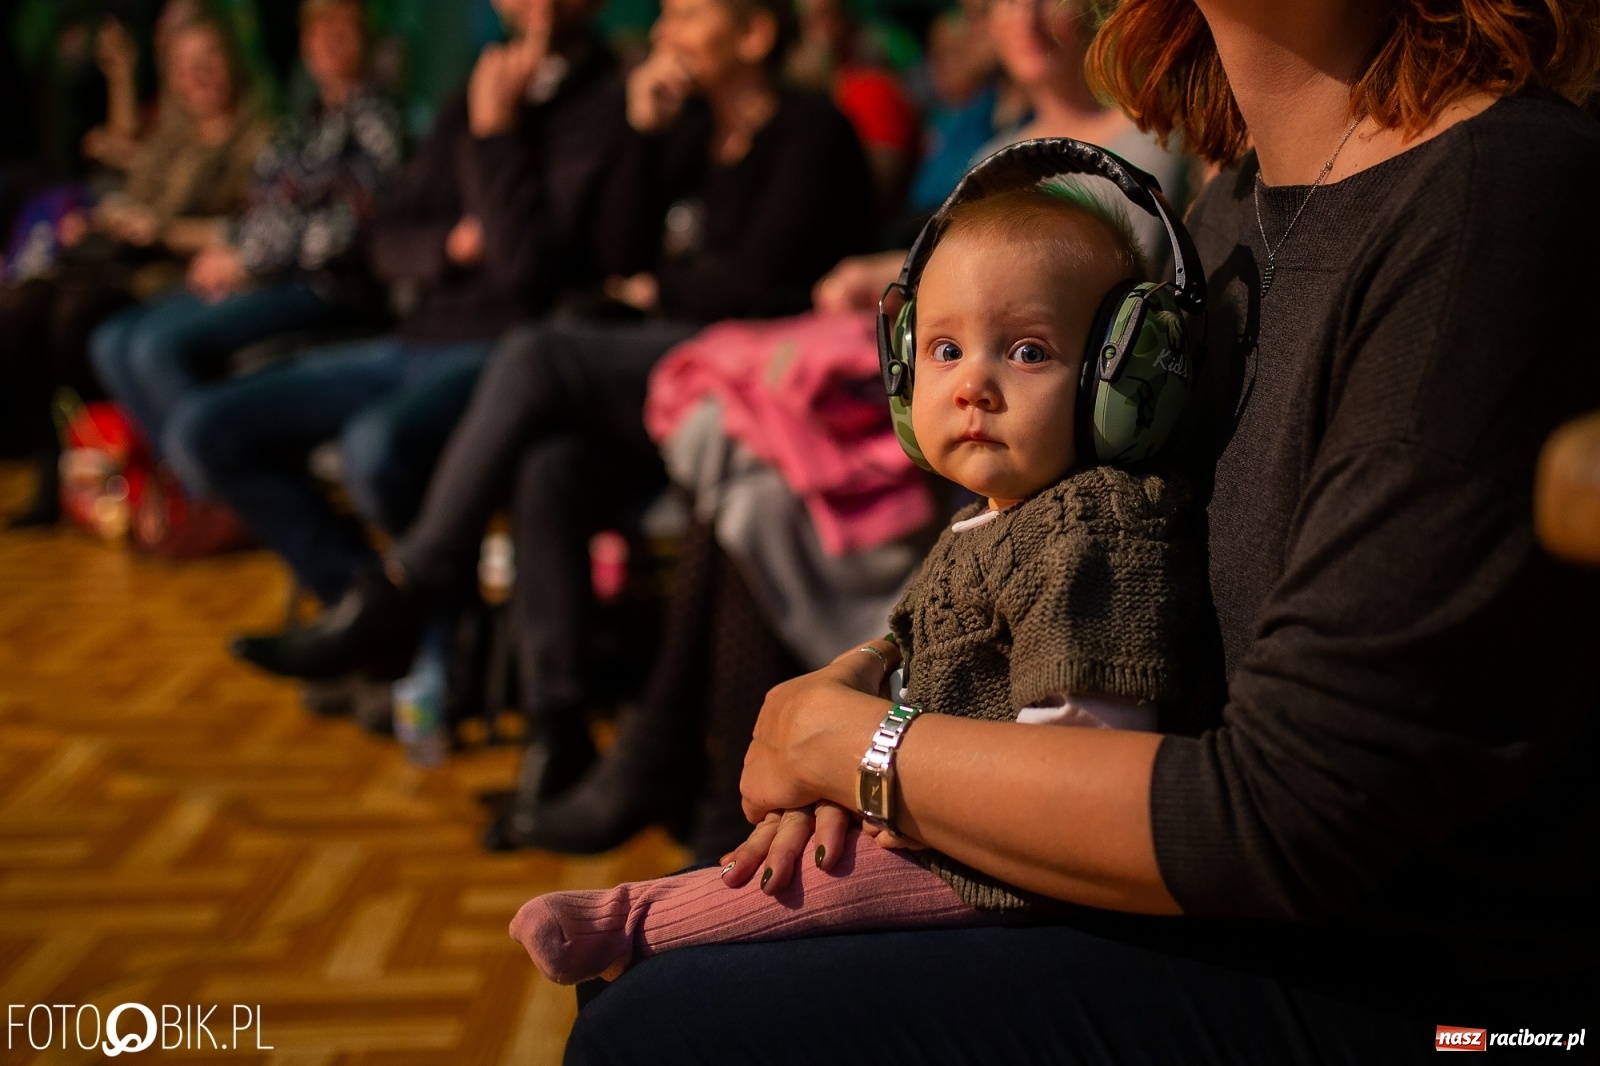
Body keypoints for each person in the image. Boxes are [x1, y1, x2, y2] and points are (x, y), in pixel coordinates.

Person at [563, 0, 1600, 1060]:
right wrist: (877, 685)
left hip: (1442, 1000)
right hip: (1229, 924)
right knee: (649, 989)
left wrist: (863, 753)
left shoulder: (1496, 194)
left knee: (664, 1032)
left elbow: (1283, 818)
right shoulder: (1234, 205)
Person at [490, 0, 1191, 864]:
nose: (1023, 17)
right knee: (730, 463)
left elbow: (1076, 779)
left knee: (739, 464)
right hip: (963, 466)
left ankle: (677, 769)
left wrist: (861, 760)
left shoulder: (1152, 146)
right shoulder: (1001, 145)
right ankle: (691, 778)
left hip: (1032, 457)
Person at [510, 173, 1206, 985]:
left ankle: (642, 920)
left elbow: (1082, 764)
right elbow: (916, 679)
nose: (973, 385)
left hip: (1001, 868)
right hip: (937, 820)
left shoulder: (1090, 526)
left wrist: (890, 793)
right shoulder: (989, 522)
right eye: (945, 351)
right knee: (796, 856)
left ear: (1119, 387)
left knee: (786, 897)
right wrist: (843, 786)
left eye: (1027, 352)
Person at [228, 0, 875, 839]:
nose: (664, 31)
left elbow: (761, 286)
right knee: (550, 467)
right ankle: (556, 735)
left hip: (752, 390)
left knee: (539, 354)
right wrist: (643, 139)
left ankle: (412, 581)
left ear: (753, 34)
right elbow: (614, 256)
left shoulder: (812, 134)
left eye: (687, 13)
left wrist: (656, 294)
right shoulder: (687, 134)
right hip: (673, 380)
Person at [158, 0, 627, 610]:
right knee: (202, 430)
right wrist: (449, 247)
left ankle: (404, 622)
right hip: (414, 334)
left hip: (507, 351)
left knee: (373, 450)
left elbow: (522, 268)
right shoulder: (471, 93)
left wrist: (494, 132)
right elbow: (385, 238)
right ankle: (369, 607)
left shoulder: (601, 105)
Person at [90, 0, 402, 457]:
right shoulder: (307, 122)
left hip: (324, 286)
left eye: (344, 28)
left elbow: (353, 226)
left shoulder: (377, 120)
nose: (329, 41)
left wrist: (246, 257)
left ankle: (223, 487)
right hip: (266, 273)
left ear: (368, 39)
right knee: (111, 339)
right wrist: (230, 250)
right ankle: (190, 487)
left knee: (154, 348)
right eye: (318, 29)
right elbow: (259, 210)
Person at [0, 11, 271, 527]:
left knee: (73, 319)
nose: (198, 75)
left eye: (208, 60)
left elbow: (251, 231)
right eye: (185, 65)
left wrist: (163, 231)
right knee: (16, 310)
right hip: (120, 262)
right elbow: (133, 190)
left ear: (234, 63)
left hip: (174, 274)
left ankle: (123, 470)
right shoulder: (174, 134)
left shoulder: (258, 136)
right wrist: (99, 219)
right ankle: (51, 466)